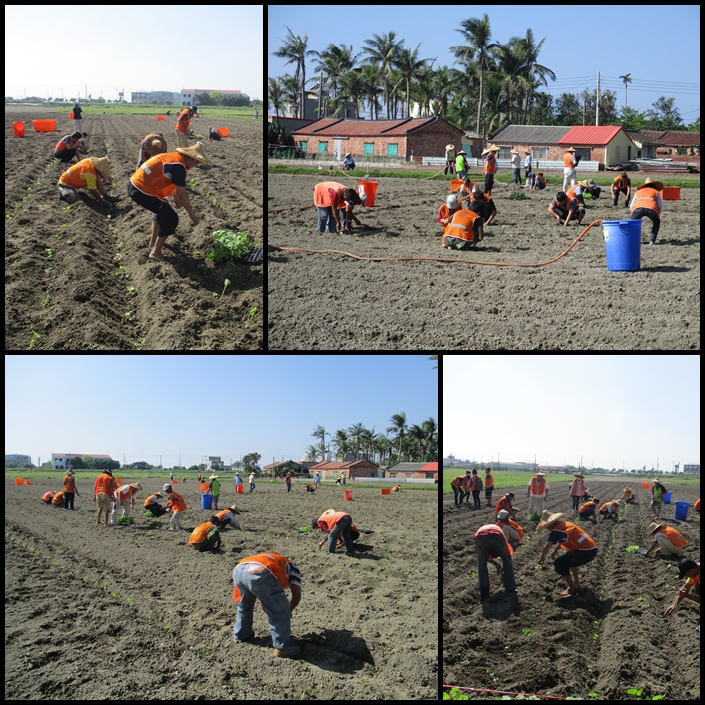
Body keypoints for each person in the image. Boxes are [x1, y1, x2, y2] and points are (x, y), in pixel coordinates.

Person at [128, 142, 212, 262]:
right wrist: (192, 215)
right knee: (171, 218)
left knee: (161, 210)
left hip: (136, 185)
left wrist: (174, 197)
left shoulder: (174, 158)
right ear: (193, 160)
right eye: (197, 163)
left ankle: (152, 242)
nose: (196, 166)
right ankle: (155, 252)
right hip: (142, 190)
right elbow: (183, 194)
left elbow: (166, 177)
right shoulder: (179, 167)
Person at [232, 552, 302, 658]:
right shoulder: (293, 567)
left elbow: (263, 596)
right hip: (259, 571)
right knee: (281, 608)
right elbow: (296, 596)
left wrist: (269, 610)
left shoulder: (276, 563)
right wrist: (288, 611)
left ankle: (241, 634)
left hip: (239, 570)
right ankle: (283, 648)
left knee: (245, 604)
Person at [536, 509, 598, 596]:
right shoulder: (563, 524)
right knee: (570, 558)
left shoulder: (556, 531)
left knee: (559, 563)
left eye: (546, 527)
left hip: (585, 552)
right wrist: (555, 550)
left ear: (549, 525)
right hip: (591, 548)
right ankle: (576, 583)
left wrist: (542, 558)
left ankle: (572, 588)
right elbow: (563, 539)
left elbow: (546, 547)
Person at [473, 521, 516, 602]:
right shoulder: (498, 529)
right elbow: (506, 547)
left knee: (481, 564)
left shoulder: (480, 530)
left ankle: (484, 594)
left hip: (480, 538)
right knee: (507, 560)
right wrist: (503, 557)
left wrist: (494, 563)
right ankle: (510, 588)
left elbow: (483, 555)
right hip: (497, 536)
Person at [630, 177, 664, 246]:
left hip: (637, 208)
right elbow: (660, 205)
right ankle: (652, 241)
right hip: (652, 208)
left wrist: (633, 215)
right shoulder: (656, 191)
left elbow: (631, 205)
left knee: (634, 224)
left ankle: (638, 240)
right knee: (656, 222)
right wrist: (658, 214)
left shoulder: (638, 192)